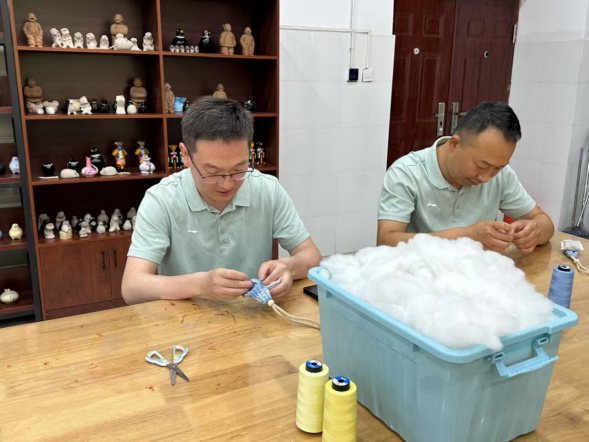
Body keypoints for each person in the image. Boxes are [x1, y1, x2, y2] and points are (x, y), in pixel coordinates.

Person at [122, 97, 321, 304]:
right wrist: (201, 285)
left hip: (255, 313)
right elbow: (132, 288)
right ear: (185, 155)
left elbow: (311, 256)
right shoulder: (161, 199)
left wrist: (288, 268)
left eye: (239, 169)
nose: (227, 184)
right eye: (212, 172)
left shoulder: (267, 189)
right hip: (185, 317)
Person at [377, 101, 554, 254]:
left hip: (476, 274)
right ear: (454, 144)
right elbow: (386, 241)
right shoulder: (407, 172)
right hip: (419, 274)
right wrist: (466, 236)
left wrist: (533, 232)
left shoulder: (502, 175)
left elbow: (543, 221)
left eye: (498, 168)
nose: (486, 177)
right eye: (481, 166)